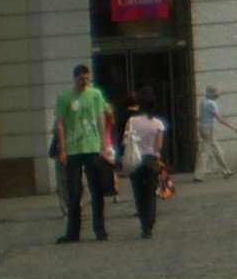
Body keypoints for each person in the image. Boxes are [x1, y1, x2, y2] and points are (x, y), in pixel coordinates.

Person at [53, 63, 115, 244]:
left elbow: (101, 118)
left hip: (93, 147)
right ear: (75, 78)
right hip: (73, 149)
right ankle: (73, 232)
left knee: (96, 190)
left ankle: (100, 229)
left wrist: (104, 145)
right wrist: (62, 149)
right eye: (82, 79)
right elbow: (60, 124)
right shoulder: (65, 97)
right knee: (74, 192)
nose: (85, 82)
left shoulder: (95, 94)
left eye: (87, 78)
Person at [124, 89, 167, 239]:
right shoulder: (158, 124)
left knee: (138, 193)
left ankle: (143, 224)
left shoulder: (131, 122)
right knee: (150, 194)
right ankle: (149, 225)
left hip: (135, 161)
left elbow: (125, 141)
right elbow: (159, 146)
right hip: (151, 160)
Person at [194, 86, 237, 180]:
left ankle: (226, 170)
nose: (218, 94)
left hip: (204, 128)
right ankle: (198, 175)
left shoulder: (204, 103)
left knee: (217, 150)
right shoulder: (210, 103)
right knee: (204, 152)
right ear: (212, 93)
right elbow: (219, 118)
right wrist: (233, 127)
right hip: (208, 129)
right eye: (217, 92)